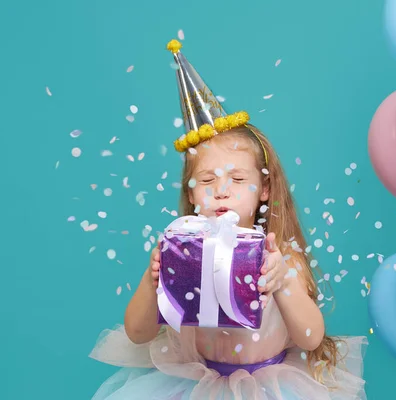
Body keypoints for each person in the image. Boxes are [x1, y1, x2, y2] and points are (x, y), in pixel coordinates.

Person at [88, 39, 368, 399]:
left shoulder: (279, 256)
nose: (221, 191)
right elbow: (137, 333)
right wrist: (151, 277)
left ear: (264, 188)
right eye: (207, 180)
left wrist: (281, 281)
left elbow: (311, 337)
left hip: (271, 387)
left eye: (237, 180)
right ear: (191, 193)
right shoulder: (183, 253)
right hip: (196, 385)